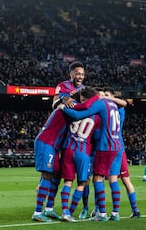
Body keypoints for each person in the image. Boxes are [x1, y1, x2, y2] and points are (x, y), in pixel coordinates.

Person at [61, 86, 124, 222]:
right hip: (117, 145)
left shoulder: (99, 104)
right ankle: (114, 212)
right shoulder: (112, 104)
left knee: (97, 179)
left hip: (106, 145)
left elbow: (79, 114)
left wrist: (64, 107)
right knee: (111, 179)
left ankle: (101, 213)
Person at [59, 87, 100, 222]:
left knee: (68, 181)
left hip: (68, 149)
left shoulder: (73, 109)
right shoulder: (96, 116)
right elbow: (98, 136)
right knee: (82, 183)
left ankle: (65, 211)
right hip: (83, 152)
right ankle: (71, 212)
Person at [102, 87, 140, 219]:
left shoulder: (117, 109)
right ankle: (135, 211)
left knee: (113, 179)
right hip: (119, 147)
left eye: (107, 95)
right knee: (123, 180)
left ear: (112, 96)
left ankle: (115, 212)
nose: (105, 97)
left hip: (113, 148)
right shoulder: (118, 108)